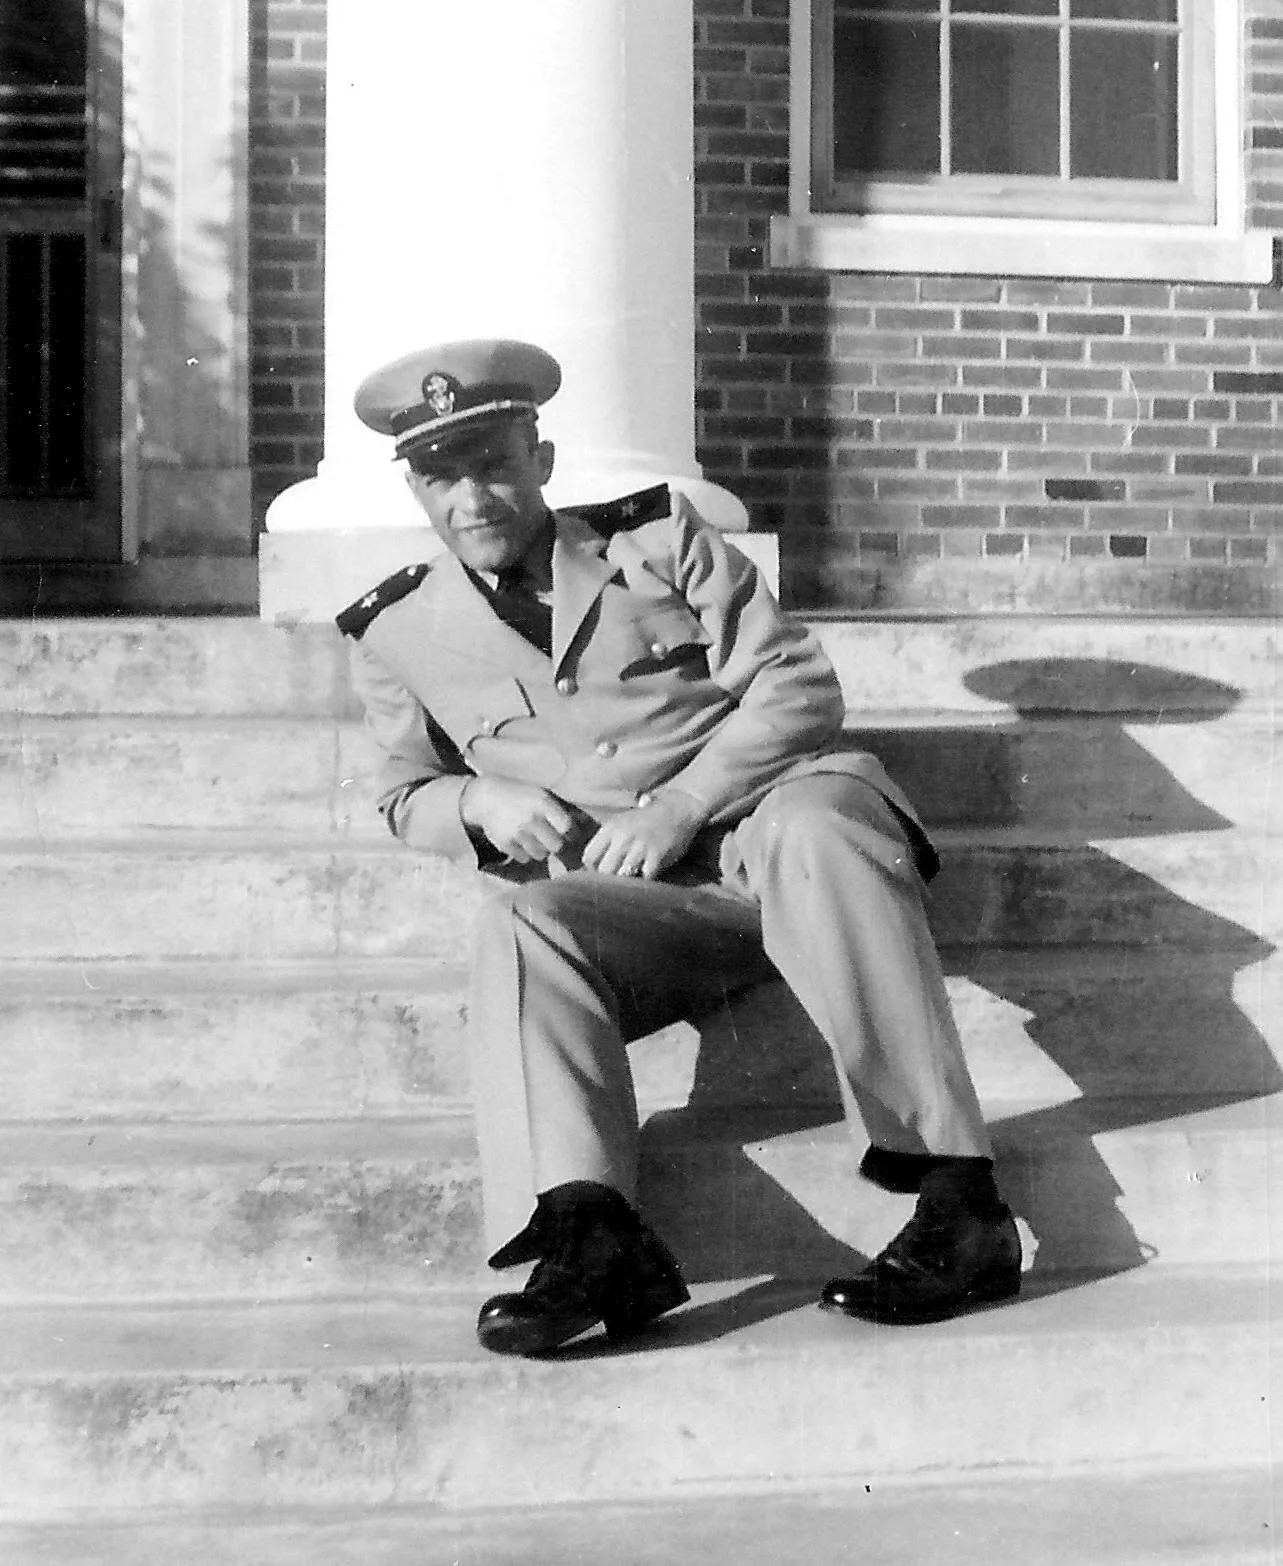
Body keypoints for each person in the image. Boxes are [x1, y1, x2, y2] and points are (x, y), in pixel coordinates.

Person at [337, 339, 1021, 1357]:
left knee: (812, 823)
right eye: (441, 477)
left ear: (541, 461)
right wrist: (476, 799)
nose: (471, 498)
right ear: (415, 490)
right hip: (654, 910)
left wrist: (682, 803)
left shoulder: (656, 539)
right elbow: (402, 793)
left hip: (777, 833)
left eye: (492, 465)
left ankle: (960, 1203)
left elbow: (795, 685)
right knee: (521, 922)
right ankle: (590, 1232)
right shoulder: (394, 630)